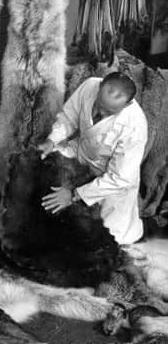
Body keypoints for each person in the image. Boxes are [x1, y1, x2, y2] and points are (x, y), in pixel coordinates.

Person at [38, 72, 148, 245]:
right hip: (82, 151)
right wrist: (52, 141)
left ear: (126, 105)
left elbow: (119, 178)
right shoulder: (90, 85)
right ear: (99, 87)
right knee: (47, 160)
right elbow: (68, 117)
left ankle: (125, 231)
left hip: (113, 176)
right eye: (100, 104)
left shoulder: (135, 126)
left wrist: (74, 194)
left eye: (110, 111)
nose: (101, 112)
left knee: (109, 239)